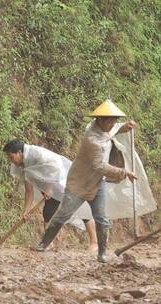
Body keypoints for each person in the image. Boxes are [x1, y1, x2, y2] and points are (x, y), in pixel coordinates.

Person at [36, 99, 137, 263]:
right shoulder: (92, 139)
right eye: (111, 122)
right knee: (62, 214)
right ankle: (43, 244)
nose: (113, 125)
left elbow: (112, 131)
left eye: (115, 121)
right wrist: (124, 172)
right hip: (79, 182)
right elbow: (99, 166)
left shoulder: (103, 127)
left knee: (102, 218)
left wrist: (124, 126)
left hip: (98, 183)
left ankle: (102, 253)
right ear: (101, 120)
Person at [3, 139, 98, 252]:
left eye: (11, 157)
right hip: (50, 187)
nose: (11, 160)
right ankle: (49, 243)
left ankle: (94, 242)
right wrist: (26, 210)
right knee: (48, 213)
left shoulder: (38, 154)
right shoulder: (23, 164)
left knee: (81, 209)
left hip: (64, 181)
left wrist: (49, 188)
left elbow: (57, 167)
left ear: (19, 152)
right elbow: (29, 190)